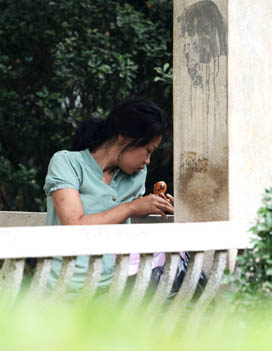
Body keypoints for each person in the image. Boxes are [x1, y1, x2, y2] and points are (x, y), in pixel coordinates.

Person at [43, 98, 174, 294]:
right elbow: (75, 225)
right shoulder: (66, 163)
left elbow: (126, 214)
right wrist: (131, 207)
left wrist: (154, 205)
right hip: (64, 289)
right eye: (148, 151)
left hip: (115, 288)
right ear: (125, 138)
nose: (147, 161)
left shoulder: (136, 176)